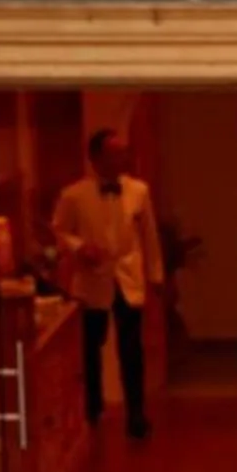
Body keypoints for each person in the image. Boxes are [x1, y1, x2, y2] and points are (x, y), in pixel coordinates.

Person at [49, 129, 164, 438]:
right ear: (96, 157)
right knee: (90, 347)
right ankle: (93, 409)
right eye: (113, 153)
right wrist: (79, 247)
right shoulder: (74, 195)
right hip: (91, 280)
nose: (120, 159)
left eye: (122, 152)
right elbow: (59, 230)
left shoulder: (139, 191)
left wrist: (155, 277)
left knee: (131, 348)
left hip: (128, 276)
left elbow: (149, 237)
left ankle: (136, 414)